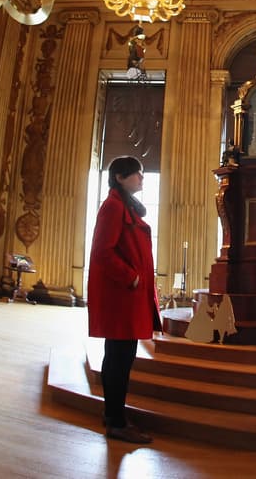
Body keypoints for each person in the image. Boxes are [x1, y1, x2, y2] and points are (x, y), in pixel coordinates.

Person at [88, 155, 161, 444]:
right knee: (119, 361)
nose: (142, 177)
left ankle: (113, 415)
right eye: (137, 173)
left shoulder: (123, 205)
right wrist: (131, 277)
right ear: (120, 177)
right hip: (122, 297)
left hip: (127, 298)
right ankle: (117, 422)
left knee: (119, 358)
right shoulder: (113, 207)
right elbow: (102, 252)